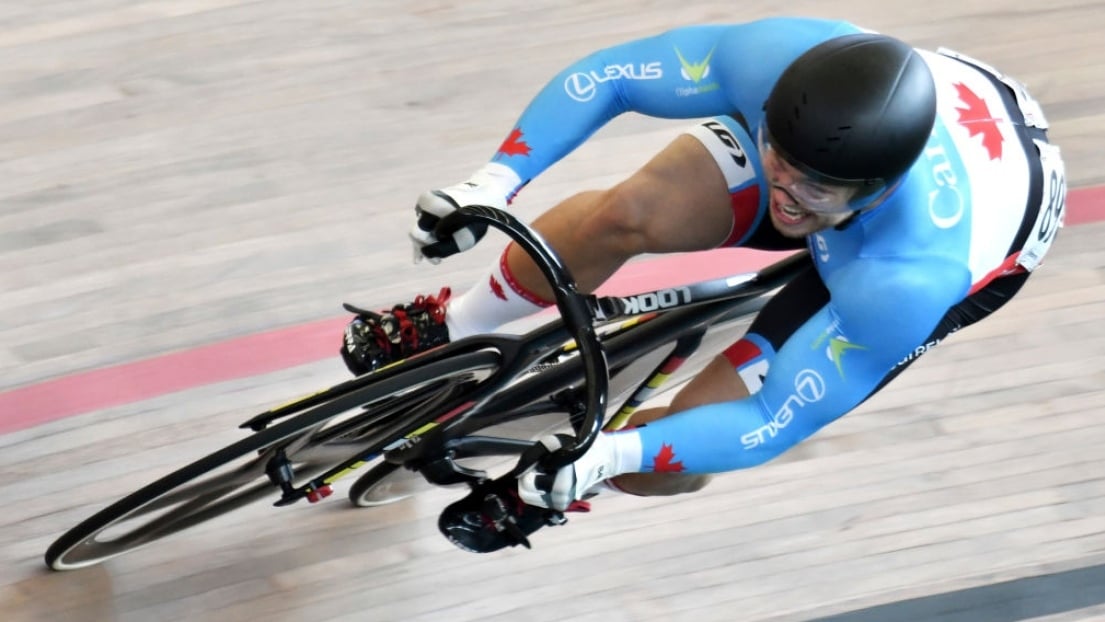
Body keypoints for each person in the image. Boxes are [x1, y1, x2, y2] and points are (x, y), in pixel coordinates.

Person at [340, 17, 1066, 546]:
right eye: (777, 157)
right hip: (890, 145)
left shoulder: (905, 280)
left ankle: (577, 476)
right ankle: (460, 323)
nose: (787, 194)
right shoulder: (781, 61)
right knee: (625, 213)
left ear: (873, 189)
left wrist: (610, 456)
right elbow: (614, 75)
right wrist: (494, 181)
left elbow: (770, 422)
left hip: (934, 253)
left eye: (816, 191)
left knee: (677, 445)